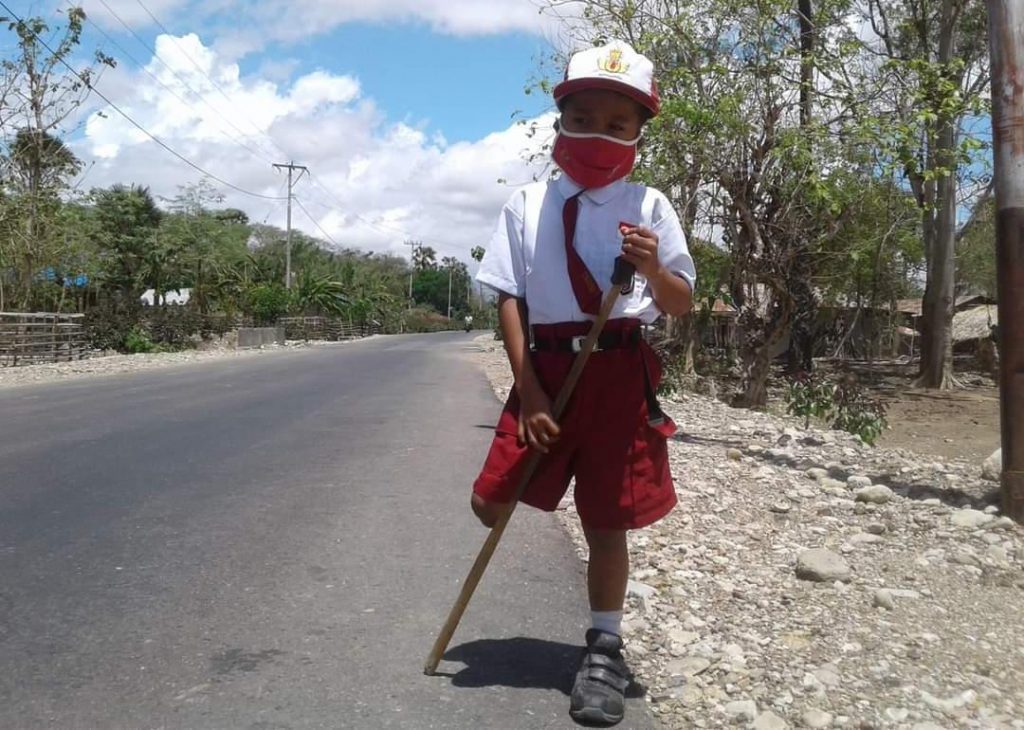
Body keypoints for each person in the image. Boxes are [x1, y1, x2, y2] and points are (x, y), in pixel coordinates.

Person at [471, 40, 696, 726]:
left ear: (638, 135)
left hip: (618, 375)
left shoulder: (648, 203)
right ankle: (590, 635)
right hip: (543, 369)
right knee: (492, 499)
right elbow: (508, 293)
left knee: (606, 519)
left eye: (618, 124)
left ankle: (604, 647)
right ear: (560, 121)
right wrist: (530, 392)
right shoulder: (528, 203)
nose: (599, 134)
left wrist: (653, 269)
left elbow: (680, 299)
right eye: (585, 116)